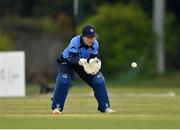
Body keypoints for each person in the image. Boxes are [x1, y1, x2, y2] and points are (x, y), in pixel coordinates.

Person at [51, 25, 114, 114]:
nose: (91, 39)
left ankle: (105, 107)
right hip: (67, 61)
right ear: (83, 36)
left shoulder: (95, 44)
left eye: (92, 37)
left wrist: (94, 62)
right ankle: (57, 107)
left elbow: (92, 58)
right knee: (64, 80)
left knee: (98, 80)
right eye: (88, 37)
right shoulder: (75, 41)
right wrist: (81, 61)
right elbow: (72, 58)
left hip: (83, 63)